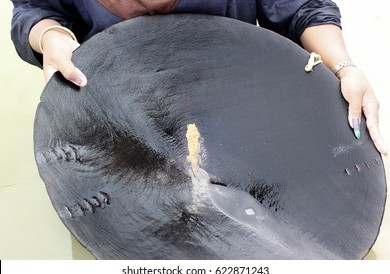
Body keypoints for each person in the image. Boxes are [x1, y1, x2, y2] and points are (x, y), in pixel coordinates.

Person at [11, 0, 387, 155]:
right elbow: (36, 8)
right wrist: (50, 37)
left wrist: (345, 68)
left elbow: (301, 7)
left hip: (235, 103)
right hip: (116, 114)